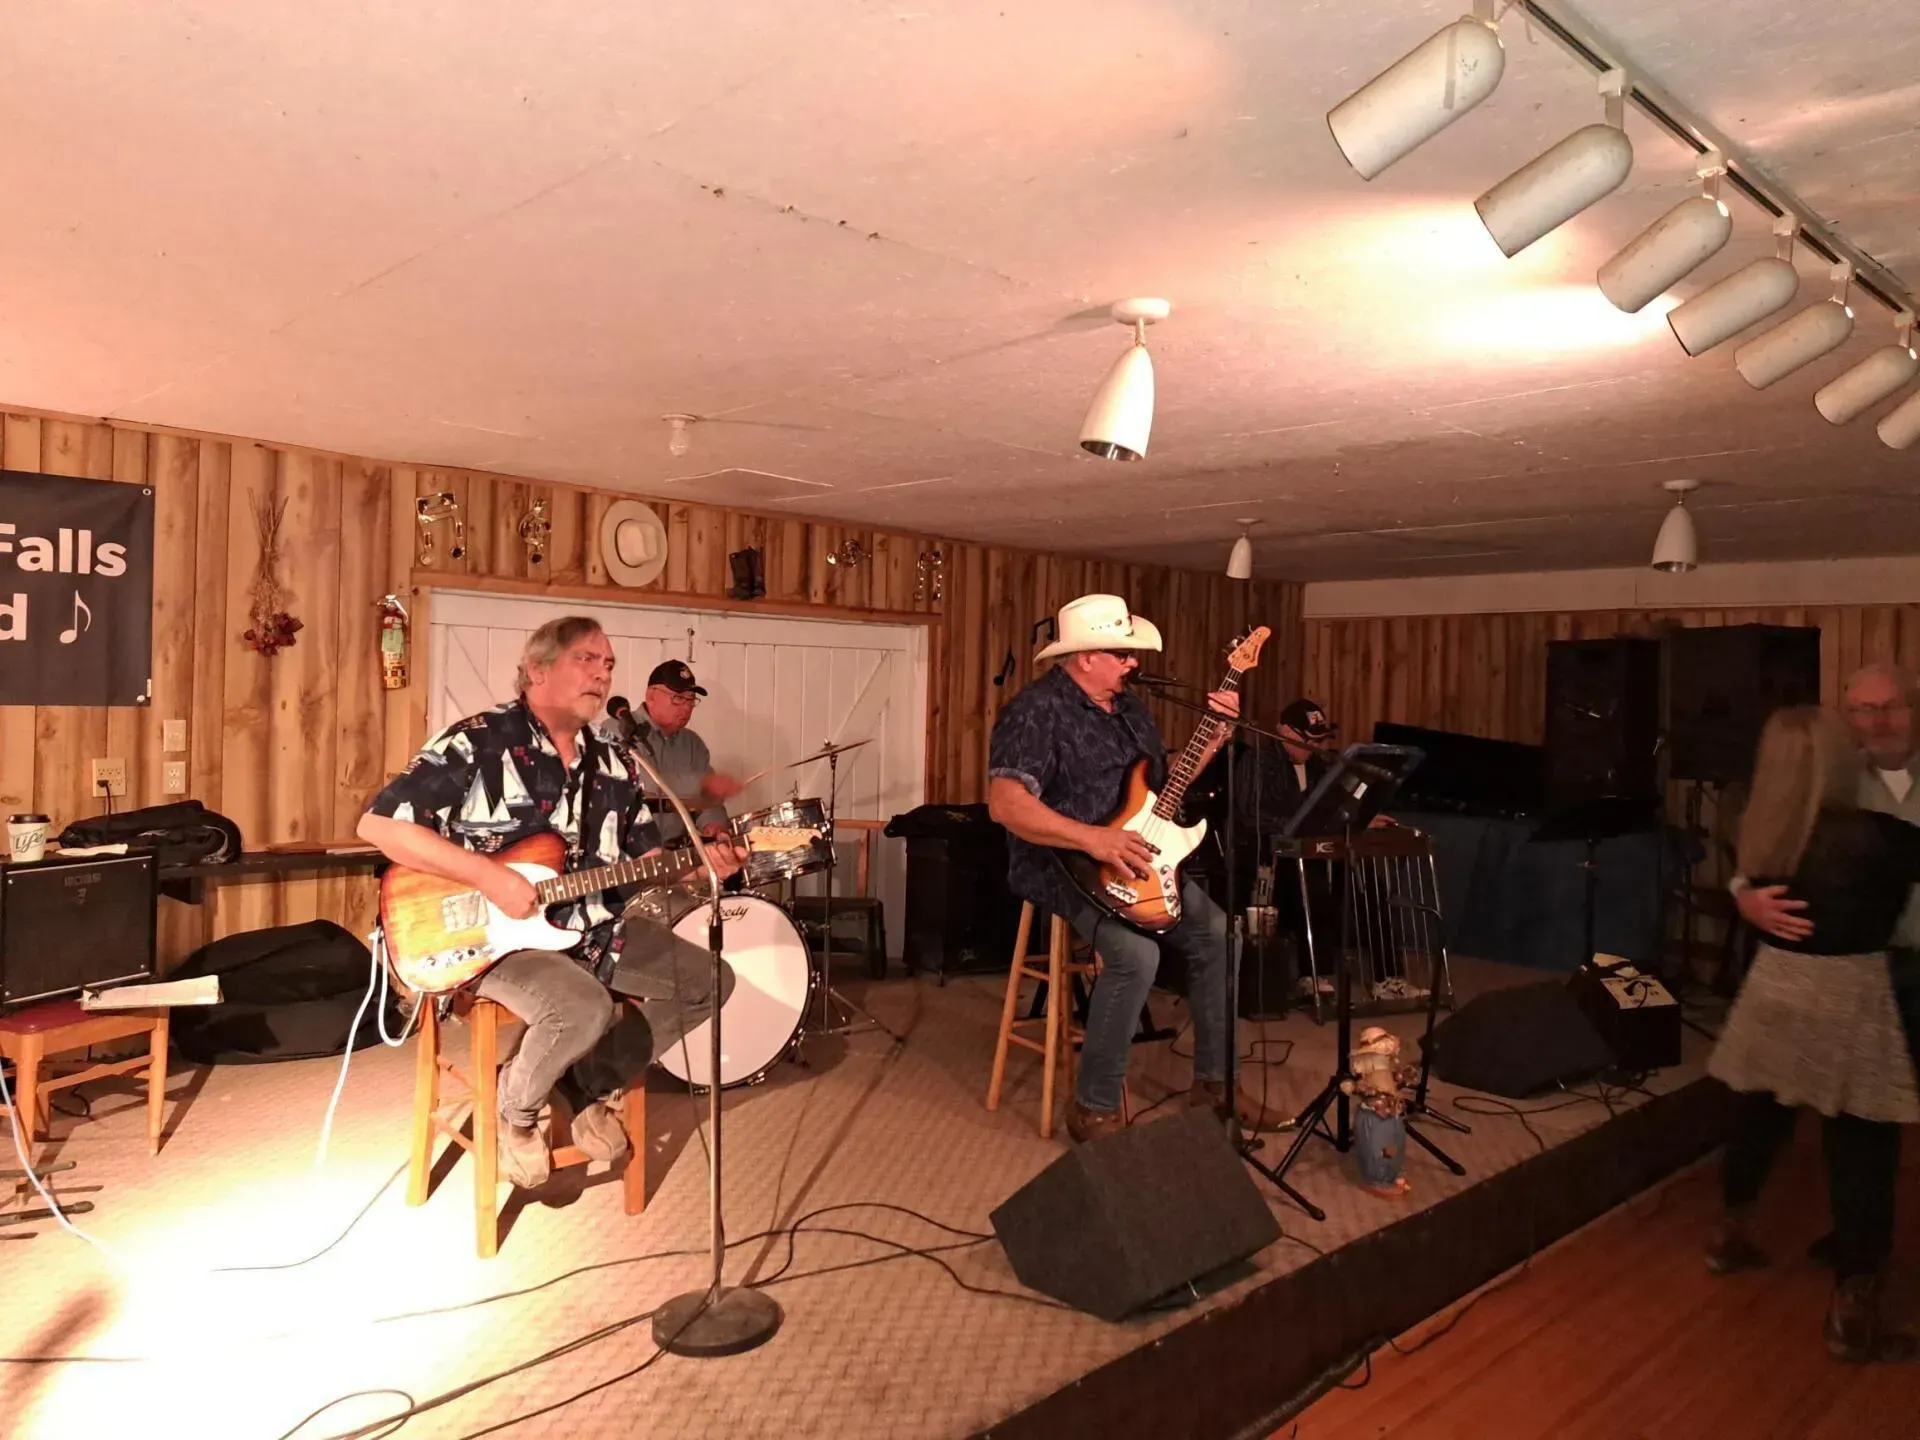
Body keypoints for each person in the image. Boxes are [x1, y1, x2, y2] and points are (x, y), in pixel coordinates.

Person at [359, 617, 742, 1189]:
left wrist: (699, 865)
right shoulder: (478, 740)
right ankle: (515, 1113)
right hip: (491, 941)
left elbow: (643, 862)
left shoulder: (616, 764)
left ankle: (579, 1084)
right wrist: (487, 877)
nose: (602, 672)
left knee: (709, 979)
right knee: (584, 1006)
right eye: (587, 659)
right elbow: (380, 826)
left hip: (592, 928)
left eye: (608, 663)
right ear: (537, 669)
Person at [987, 593, 1281, 1144]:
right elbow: (1007, 805)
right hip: (1064, 860)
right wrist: (1094, 839)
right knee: (1135, 954)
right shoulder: (1034, 712)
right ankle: (1093, 1110)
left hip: (1141, 853)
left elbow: (1167, 784)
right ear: (1084, 657)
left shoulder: (1129, 709)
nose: (1133, 664)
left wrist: (1215, 737)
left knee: (1221, 935)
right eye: (1122, 655)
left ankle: (1215, 1086)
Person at [1706, 705, 1919, 1363]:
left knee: (1761, 1115)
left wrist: (1742, 892)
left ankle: (1728, 1235)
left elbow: (1742, 879)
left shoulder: (1764, 828)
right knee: (1862, 1142)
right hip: (1848, 993)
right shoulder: (1880, 836)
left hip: (1776, 987)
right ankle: (1854, 1310)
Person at [618, 660, 743, 846]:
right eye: (678, 698)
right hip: (626, 855)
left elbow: (709, 804)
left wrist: (715, 826)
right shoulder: (617, 732)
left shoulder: (693, 744)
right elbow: (643, 787)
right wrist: (702, 784)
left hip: (678, 854)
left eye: (691, 700)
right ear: (651, 696)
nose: (686, 708)